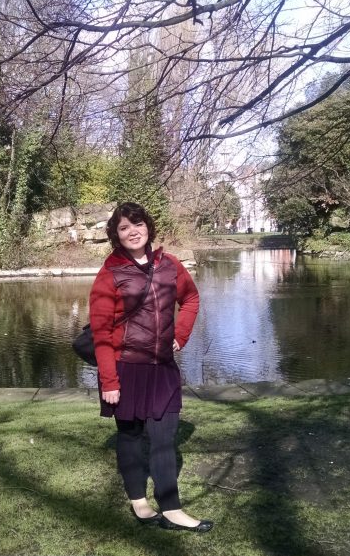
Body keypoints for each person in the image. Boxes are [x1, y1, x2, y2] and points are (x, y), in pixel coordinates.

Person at [88, 201, 213, 533]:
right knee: (129, 436)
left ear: (148, 227)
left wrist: (181, 335)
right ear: (116, 235)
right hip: (125, 368)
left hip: (162, 369)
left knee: (163, 438)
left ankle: (171, 509)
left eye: (138, 224)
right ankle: (138, 501)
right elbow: (100, 332)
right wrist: (109, 381)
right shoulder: (110, 274)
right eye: (124, 227)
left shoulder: (169, 265)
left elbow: (191, 299)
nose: (133, 231)